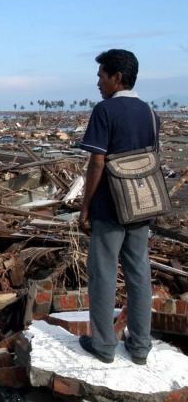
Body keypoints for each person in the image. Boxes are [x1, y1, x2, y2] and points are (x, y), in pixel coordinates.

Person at [78, 49, 158, 365]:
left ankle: (104, 345)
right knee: (139, 274)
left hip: (110, 208)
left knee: (103, 274)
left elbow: (97, 163)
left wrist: (86, 207)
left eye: (101, 76)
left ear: (117, 78)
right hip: (142, 206)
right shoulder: (151, 113)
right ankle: (139, 348)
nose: (98, 82)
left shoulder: (105, 110)